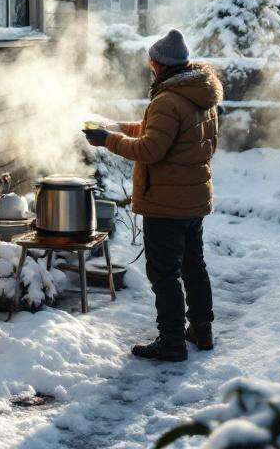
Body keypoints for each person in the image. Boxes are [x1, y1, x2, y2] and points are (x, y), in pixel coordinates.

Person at [83, 29, 221, 362]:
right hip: (193, 199)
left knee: (164, 273)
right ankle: (201, 330)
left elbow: (150, 149)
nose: (150, 68)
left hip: (166, 204)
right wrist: (116, 125)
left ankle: (172, 341)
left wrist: (107, 141)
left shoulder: (167, 99)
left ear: (159, 65)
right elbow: (163, 131)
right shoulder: (197, 93)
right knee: (193, 266)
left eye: (151, 64)